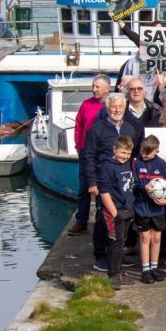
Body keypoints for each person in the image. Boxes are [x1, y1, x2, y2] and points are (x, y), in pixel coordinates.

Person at [84, 93, 139, 272]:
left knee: (123, 220)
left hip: (123, 180)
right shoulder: (96, 130)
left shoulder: (130, 129)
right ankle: (100, 256)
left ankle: (117, 255)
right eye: (114, 107)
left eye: (120, 107)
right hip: (104, 180)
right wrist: (92, 182)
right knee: (102, 219)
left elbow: (133, 155)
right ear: (107, 108)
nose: (117, 110)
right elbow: (89, 157)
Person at [69, 74, 111, 236]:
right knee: (84, 187)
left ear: (107, 89)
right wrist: (79, 146)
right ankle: (81, 221)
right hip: (86, 152)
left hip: (104, 153)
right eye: (93, 86)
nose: (94, 90)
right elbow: (78, 125)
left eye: (97, 87)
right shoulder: (86, 104)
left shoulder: (111, 105)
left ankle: (106, 221)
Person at [97, 135, 136, 290]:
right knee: (115, 243)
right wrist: (115, 214)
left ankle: (119, 272)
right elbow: (104, 192)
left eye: (128, 154)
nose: (125, 156)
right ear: (114, 150)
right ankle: (113, 275)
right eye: (122, 153)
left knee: (122, 241)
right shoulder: (108, 166)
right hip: (115, 212)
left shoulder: (127, 164)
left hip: (127, 210)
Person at [131, 135, 166, 284]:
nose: (144, 155)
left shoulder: (162, 164)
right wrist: (143, 187)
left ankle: (154, 268)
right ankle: (145, 270)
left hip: (157, 208)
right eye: (142, 151)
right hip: (142, 207)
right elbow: (133, 182)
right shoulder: (135, 161)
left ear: (156, 151)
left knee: (156, 238)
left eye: (148, 153)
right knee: (145, 238)